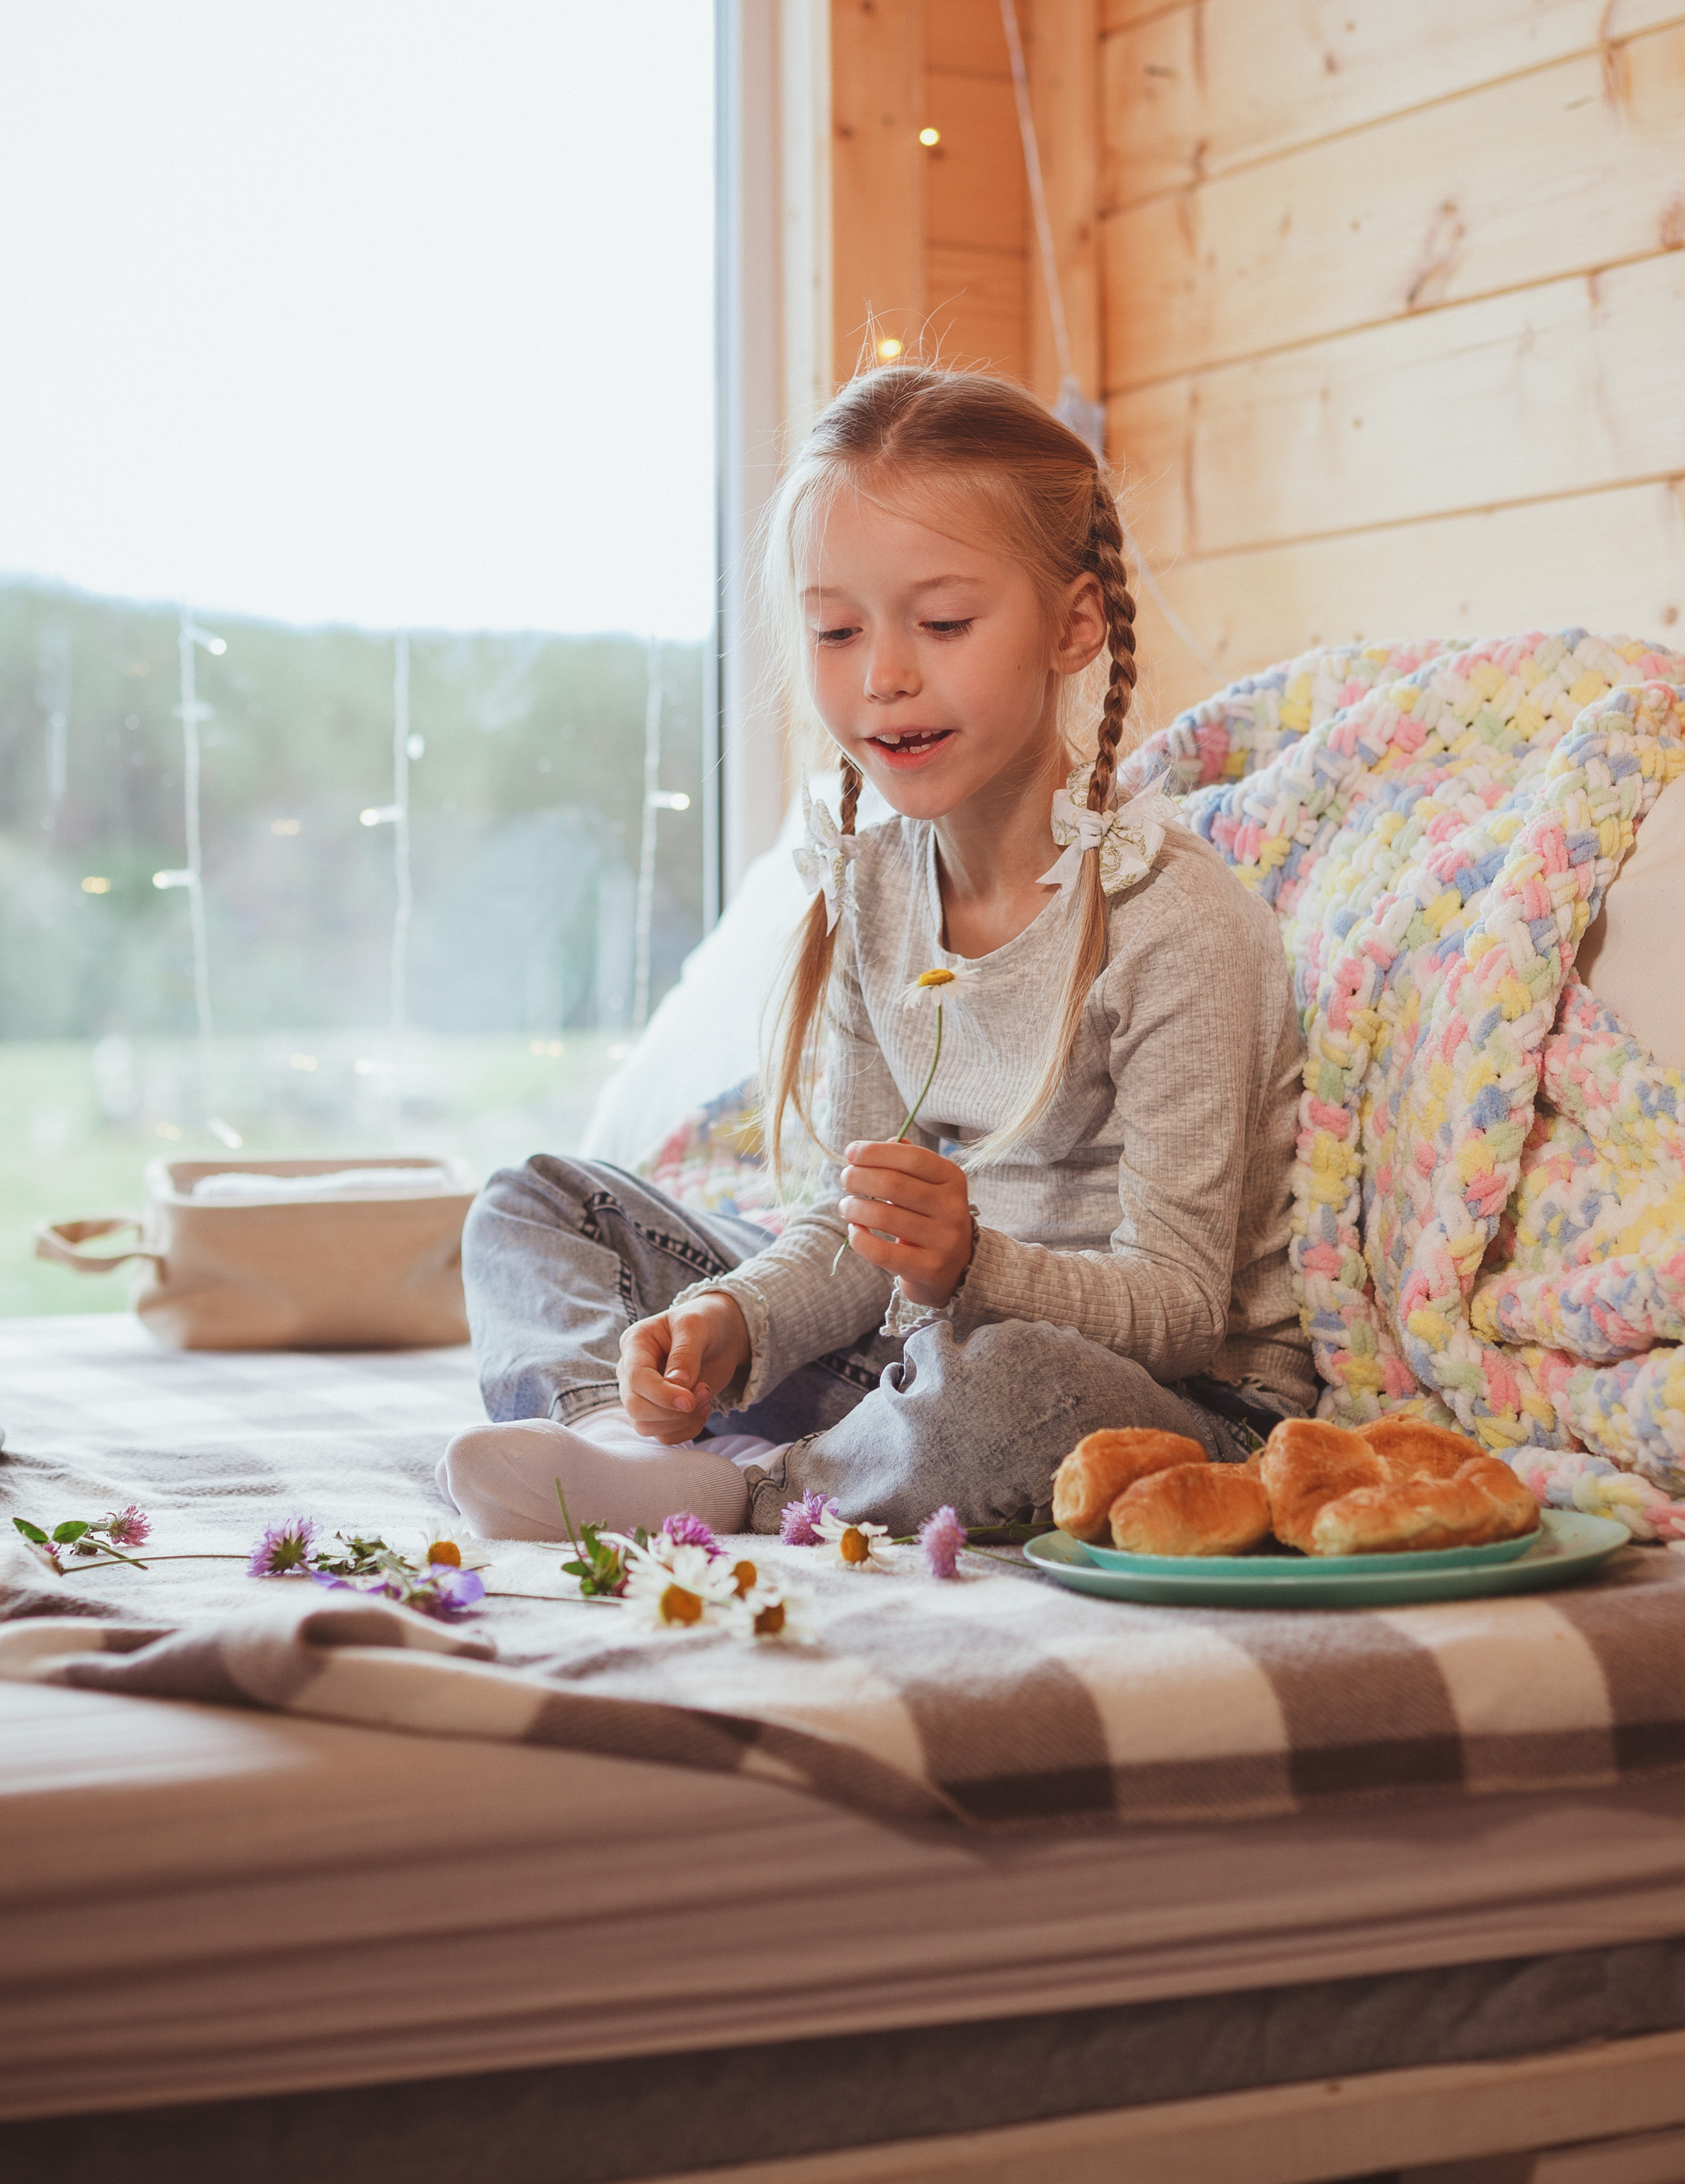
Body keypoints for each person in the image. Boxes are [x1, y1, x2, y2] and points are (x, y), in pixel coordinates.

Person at [439, 363, 1312, 1543]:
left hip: (1146, 1398)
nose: (885, 674)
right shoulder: (872, 892)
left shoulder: (1173, 922)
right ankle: (614, 1435)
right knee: (537, 1203)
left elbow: (1185, 1311)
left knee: (1000, 1391)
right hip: (905, 1349)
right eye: (837, 630)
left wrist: (970, 1270)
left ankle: (750, 1487)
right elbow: (850, 1246)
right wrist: (729, 1322)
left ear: (1072, 625)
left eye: (943, 623)